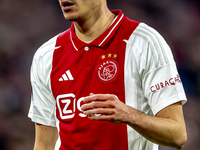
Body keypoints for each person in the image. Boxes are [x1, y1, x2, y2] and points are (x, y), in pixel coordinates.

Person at [28, 0, 187, 150]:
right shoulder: (46, 56)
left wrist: (130, 116)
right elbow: (43, 144)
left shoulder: (145, 42)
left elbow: (177, 135)